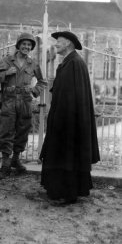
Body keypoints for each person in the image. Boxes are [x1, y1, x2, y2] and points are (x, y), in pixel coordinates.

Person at [39, 31, 100, 204]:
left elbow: (75, 97)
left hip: (69, 122)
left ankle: (69, 193)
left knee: (67, 155)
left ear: (69, 44)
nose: (56, 44)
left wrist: (64, 120)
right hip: (64, 119)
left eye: (59, 41)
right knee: (62, 154)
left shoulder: (75, 63)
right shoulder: (68, 62)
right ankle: (60, 191)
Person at [0, 32, 46, 177]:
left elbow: (42, 81)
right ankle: (5, 163)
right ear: (18, 45)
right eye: (24, 44)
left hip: (25, 101)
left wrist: (34, 91)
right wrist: (7, 73)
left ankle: (15, 159)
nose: (26, 47)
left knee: (22, 131)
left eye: (29, 45)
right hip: (9, 100)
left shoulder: (32, 64)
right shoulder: (7, 60)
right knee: (6, 131)